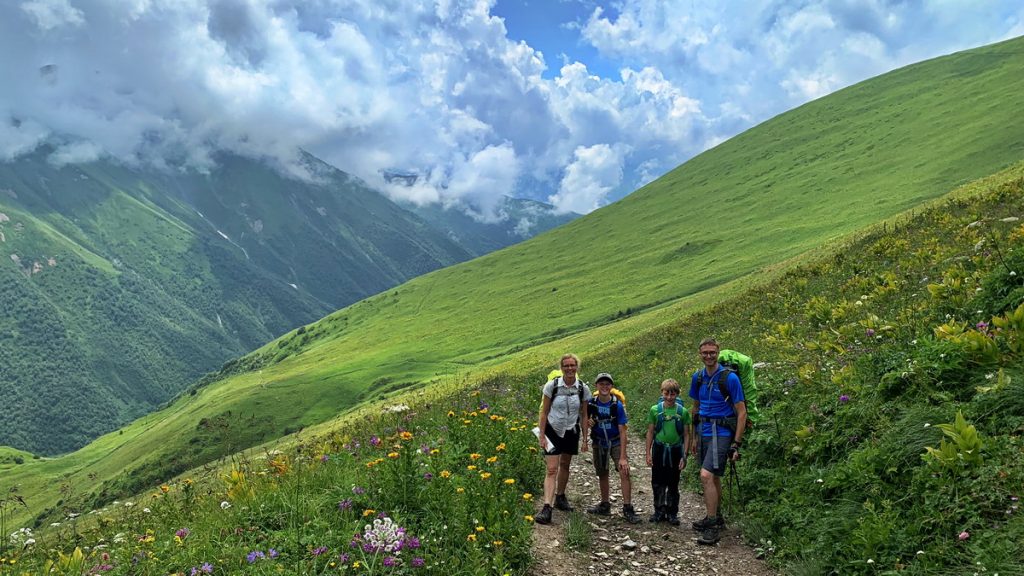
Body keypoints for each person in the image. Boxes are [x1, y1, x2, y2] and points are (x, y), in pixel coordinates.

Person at [689, 338, 747, 545]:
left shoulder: (729, 378)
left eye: (712, 352)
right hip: (704, 431)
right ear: (700, 354)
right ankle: (717, 516)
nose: (709, 356)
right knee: (713, 478)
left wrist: (736, 444)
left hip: (721, 432)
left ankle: (712, 525)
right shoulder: (697, 378)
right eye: (705, 352)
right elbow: (695, 409)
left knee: (706, 475)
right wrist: (694, 438)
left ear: (718, 352)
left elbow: (742, 412)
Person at [535, 354, 591, 524]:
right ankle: (547, 507)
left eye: (572, 365)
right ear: (561, 367)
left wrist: (585, 439)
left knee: (565, 464)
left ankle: (560, 496)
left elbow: (584, 414)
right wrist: (542, 435)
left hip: (571, 431)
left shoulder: (582, 389)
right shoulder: (551, 386)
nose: (569, 368)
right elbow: (544, 412)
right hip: (553, 430)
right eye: (566, 365)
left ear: (577, 367)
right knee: (552, 469)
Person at [584, 373, 641, 523]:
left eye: (607, 384)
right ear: (596, 386)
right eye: (601, 384)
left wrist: (623, 456)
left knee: (624, 471)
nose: (604, 387)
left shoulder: (617, 405)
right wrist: (588, 424)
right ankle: (604, 504)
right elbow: (584, 420)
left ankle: (628, 508)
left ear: (611, 386)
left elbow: (623, 430)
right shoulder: (591, 404)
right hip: (599, 442)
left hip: (615, 441)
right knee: (602, 473)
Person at [645, 378, 690, 525]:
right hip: (659, 449)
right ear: (662, 393)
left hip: (676, 450)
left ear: (677, 394)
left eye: (673, 394)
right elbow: (650, 432)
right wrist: (647, 453)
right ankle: (659, 511)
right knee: (657, 482)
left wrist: (685, 455)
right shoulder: (655, 410)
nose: (669, 397)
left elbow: (686, 434)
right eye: (666, 393)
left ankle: (672, 513)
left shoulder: (682, 412)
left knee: (673, 482)